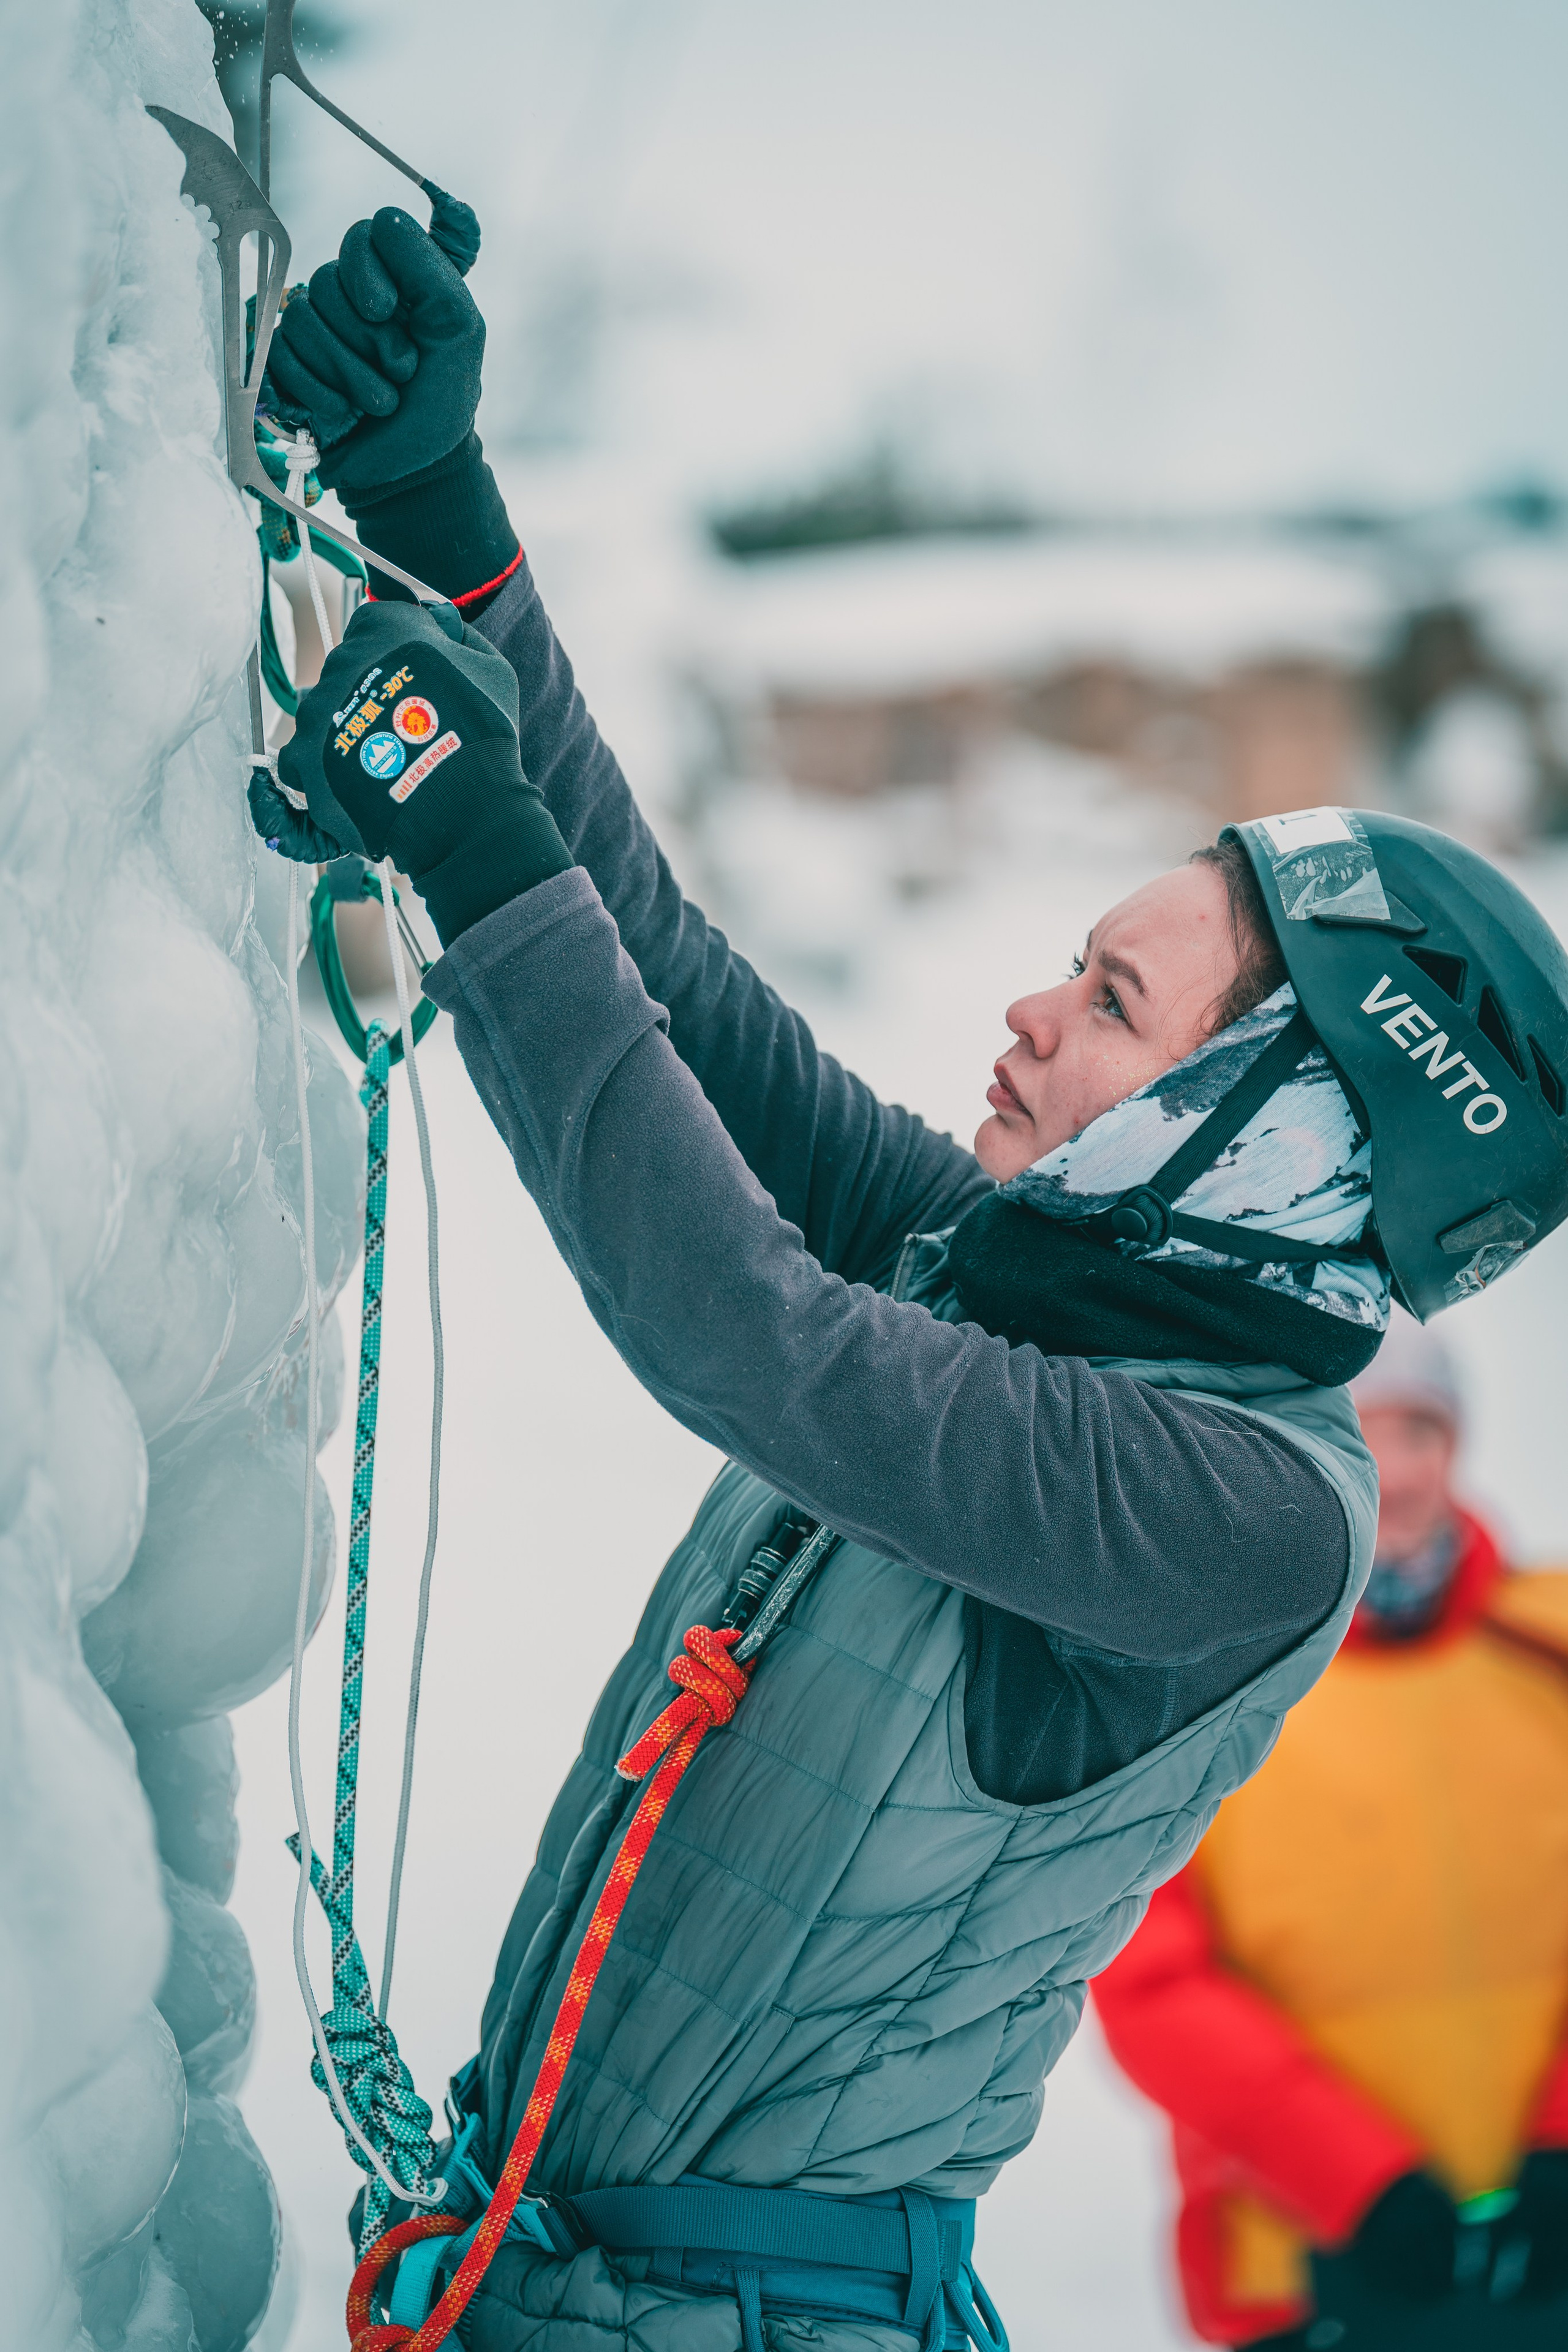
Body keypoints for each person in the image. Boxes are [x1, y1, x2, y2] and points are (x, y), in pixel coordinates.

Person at [250, 207, 1568, 2352]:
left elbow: (750, 1342)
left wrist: (462, 830)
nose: (1034, 1018)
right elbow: (670, 986)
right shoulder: (1011, 1262)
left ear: (1293, 1153)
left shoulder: (1251, 1515)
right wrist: (438, 514)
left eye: (1116, 1002)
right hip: (579, 2286)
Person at [1093, 1312, 1568, 2350]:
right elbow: (1148, 1982)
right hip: (1314, 2274)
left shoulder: (1552, 1649)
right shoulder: (1200, 1688)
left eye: (1420, 1432)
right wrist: (1360, 2185)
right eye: (1360, 1434)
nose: (1392, 1474)